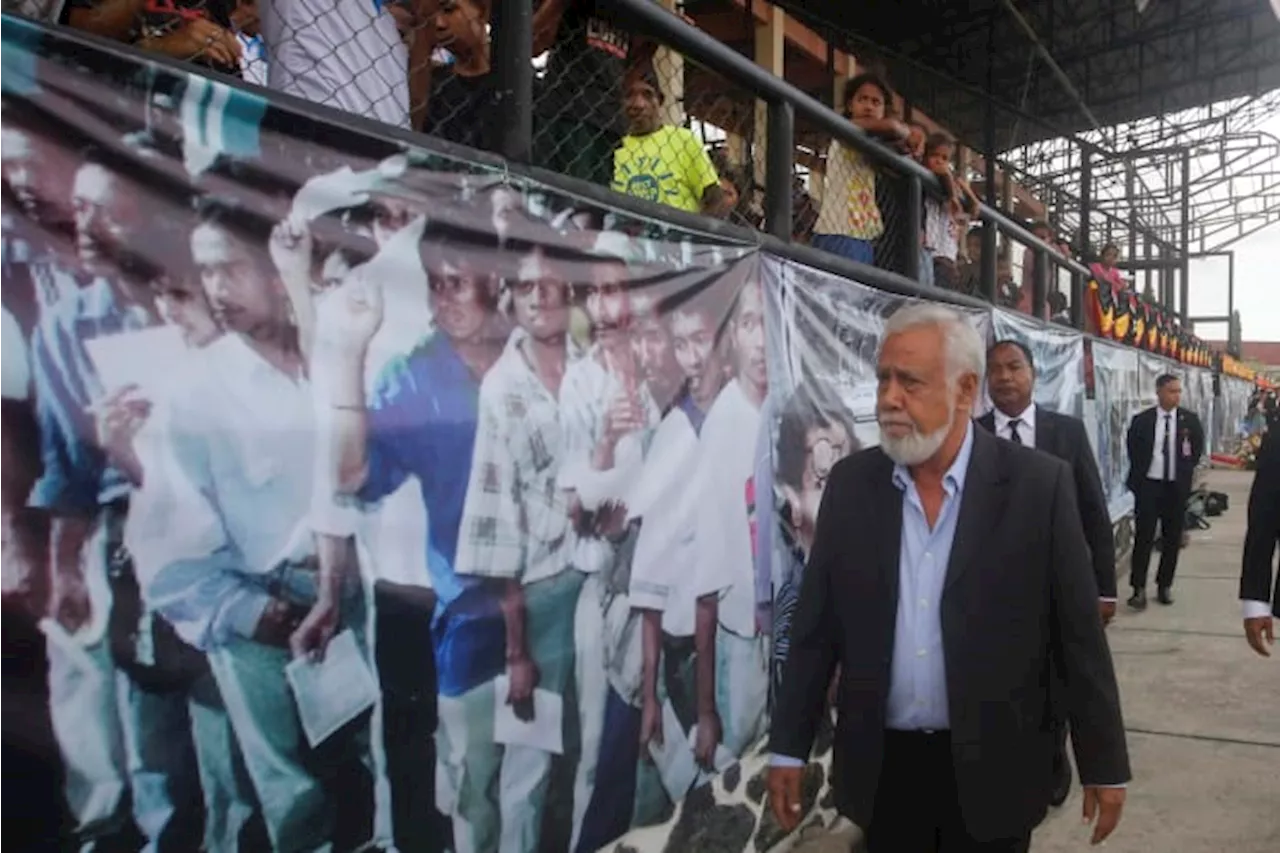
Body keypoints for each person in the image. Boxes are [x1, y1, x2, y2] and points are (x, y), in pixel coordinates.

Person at [767, 303, 1130, 852]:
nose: (888, 398)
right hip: (884, 773)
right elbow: (816, 630)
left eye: (908, 381)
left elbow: (1078, 638)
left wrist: (1104, 762)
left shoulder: (1037, 487)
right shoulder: (851, 486)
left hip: (997, 768)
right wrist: (788, 747)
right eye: (883, 379)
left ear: (965, 391)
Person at [977, 338, 1117, 808]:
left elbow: (1094, 509)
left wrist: (1105, 588)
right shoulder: (969, 433)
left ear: (1033, 374)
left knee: (1056, 681)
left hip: (1055, 582)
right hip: (990, 591)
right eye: (995, 370)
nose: (1005, 377)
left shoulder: (1066, 433)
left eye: (1014, 367)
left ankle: (1053, 761)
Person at [1125, 373, 1205, 610]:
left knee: (1172, 538)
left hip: (1175, 487)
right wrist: (1140, 479)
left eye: (1179, 391)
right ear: (1159, 392)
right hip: (1150, 485)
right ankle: (1138, 588)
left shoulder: (1189, 420)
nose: (1176, 396)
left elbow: (1196, 449)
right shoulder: (1143, 420)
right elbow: (1133, 449)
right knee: (1144, 536)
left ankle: (1164, 585)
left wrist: (1185, 472)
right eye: (1172, 391)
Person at [611, 68, 725, 216]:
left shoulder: (683, 140)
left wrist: (691, 234)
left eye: (647, 95)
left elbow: (714, 198)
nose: (638, 104)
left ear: (660, 101)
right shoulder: (614, 144)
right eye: (629, 95)